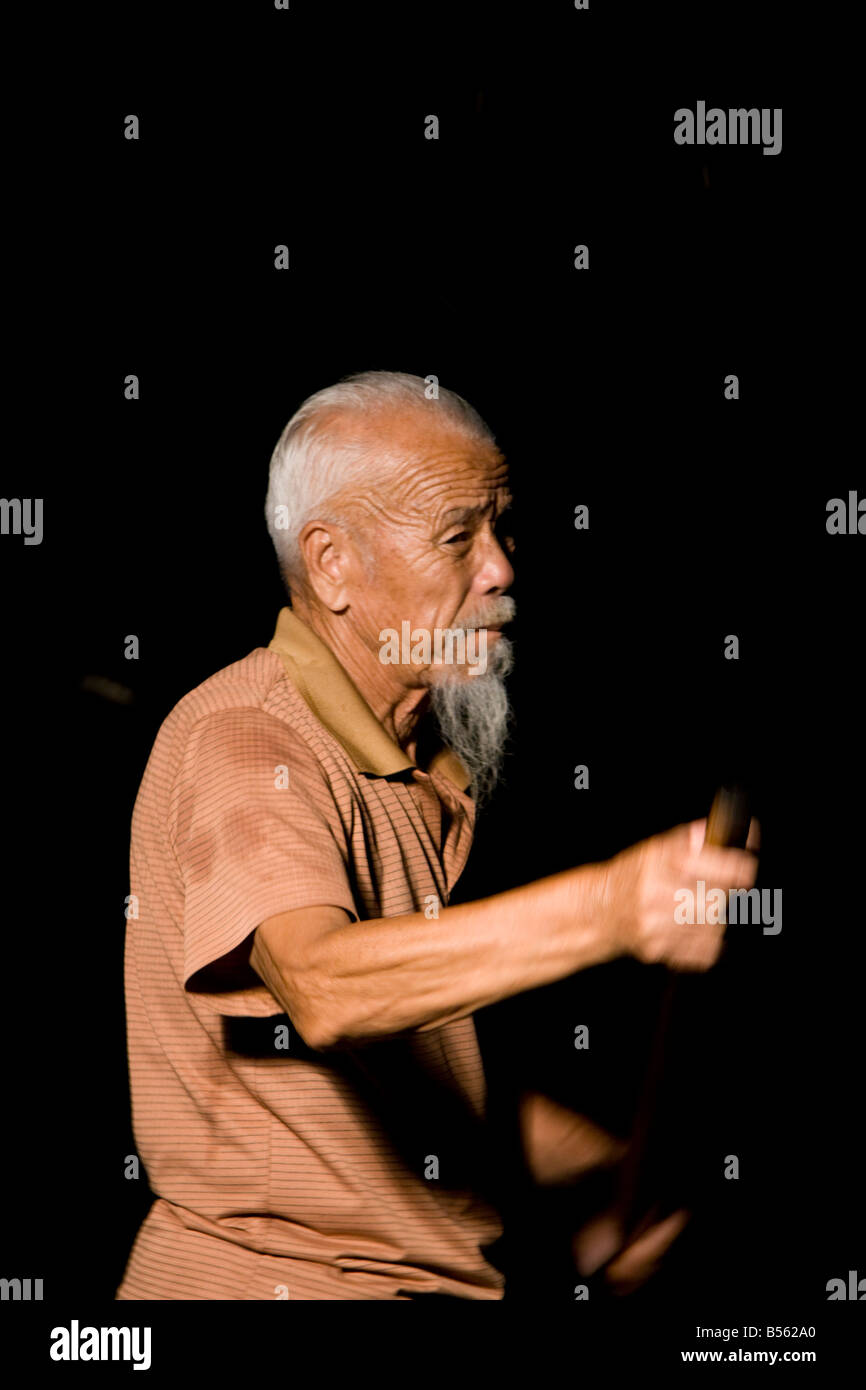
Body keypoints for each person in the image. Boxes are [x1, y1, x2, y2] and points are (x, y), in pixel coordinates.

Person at [116, 370, 759, 1300]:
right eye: (457, 536)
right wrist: (611, 906)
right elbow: (323, 986)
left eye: (502, 529)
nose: (500, 568)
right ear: (331, 564)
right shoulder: (249, 739)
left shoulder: (415, 774)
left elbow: (385, 1088)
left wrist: (601, 1181)